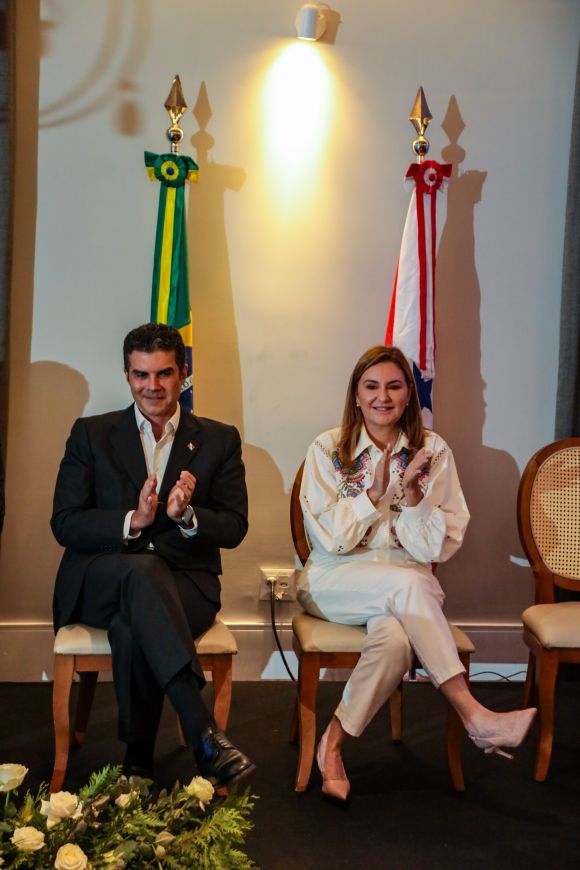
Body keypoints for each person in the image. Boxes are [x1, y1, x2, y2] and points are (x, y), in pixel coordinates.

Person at [297, 345, 536, 802]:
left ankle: (332, 744)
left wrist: (412, 496)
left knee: (394, 640)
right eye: (371, 386)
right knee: (409, 583)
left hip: (407, 582)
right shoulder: (327, 448)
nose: (382, 397)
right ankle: (473, 714)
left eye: (394, 386)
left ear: (409, 393)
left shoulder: (433, 451)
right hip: (333, 578)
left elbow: (435, 548)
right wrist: (373, 495)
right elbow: (329, 540)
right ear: (356, 394)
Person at [51, 323, 254, 788]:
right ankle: (203, 733)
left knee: (132, 626)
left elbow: (234, 526)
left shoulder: (219, 439)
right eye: (141, 374)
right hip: (101, 579)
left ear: (183, 373)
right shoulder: (91, 434)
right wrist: (133, 521)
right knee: (141, 572)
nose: (152, 386)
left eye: (164, 373)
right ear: (127, 375)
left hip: (185, 582)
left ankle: (138, 761)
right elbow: (65, 522)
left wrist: (187, 516)